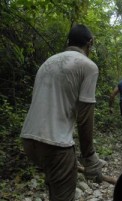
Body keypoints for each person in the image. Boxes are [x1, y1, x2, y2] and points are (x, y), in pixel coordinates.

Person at [20, 24, 105, 201]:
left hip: (29, 140)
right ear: (90, 43)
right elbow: (84, 116)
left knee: (55, 188)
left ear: (68, 42)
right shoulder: (88, 66)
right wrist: (90, 157)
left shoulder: (48, 62)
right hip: (56, 144)